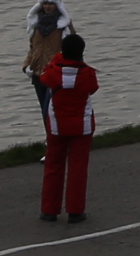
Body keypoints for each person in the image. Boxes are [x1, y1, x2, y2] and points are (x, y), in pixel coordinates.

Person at [33, 30, 99, 223]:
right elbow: (93, 88)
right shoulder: (87, 74)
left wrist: (57, 58)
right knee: (78, 168)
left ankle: (49, 210)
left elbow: (44, 78)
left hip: (57, 125)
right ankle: (75, 211)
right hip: (82, 125)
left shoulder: (53, 73)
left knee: (53, 166)